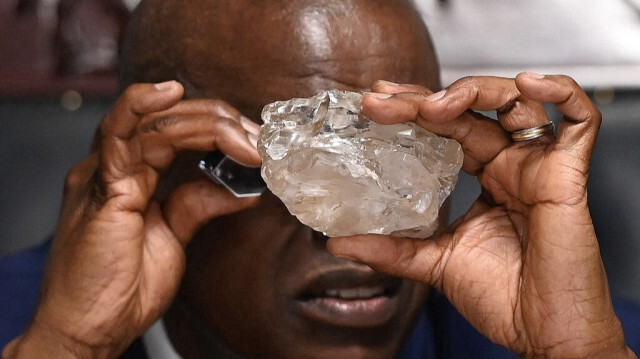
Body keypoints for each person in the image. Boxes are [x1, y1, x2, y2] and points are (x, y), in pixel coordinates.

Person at [1, 0, 639, 358]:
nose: (348, 225)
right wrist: (67, 347)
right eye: (280, 164)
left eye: (397, 157)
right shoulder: (25, 328)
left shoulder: (587, 336)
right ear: (155, 173)